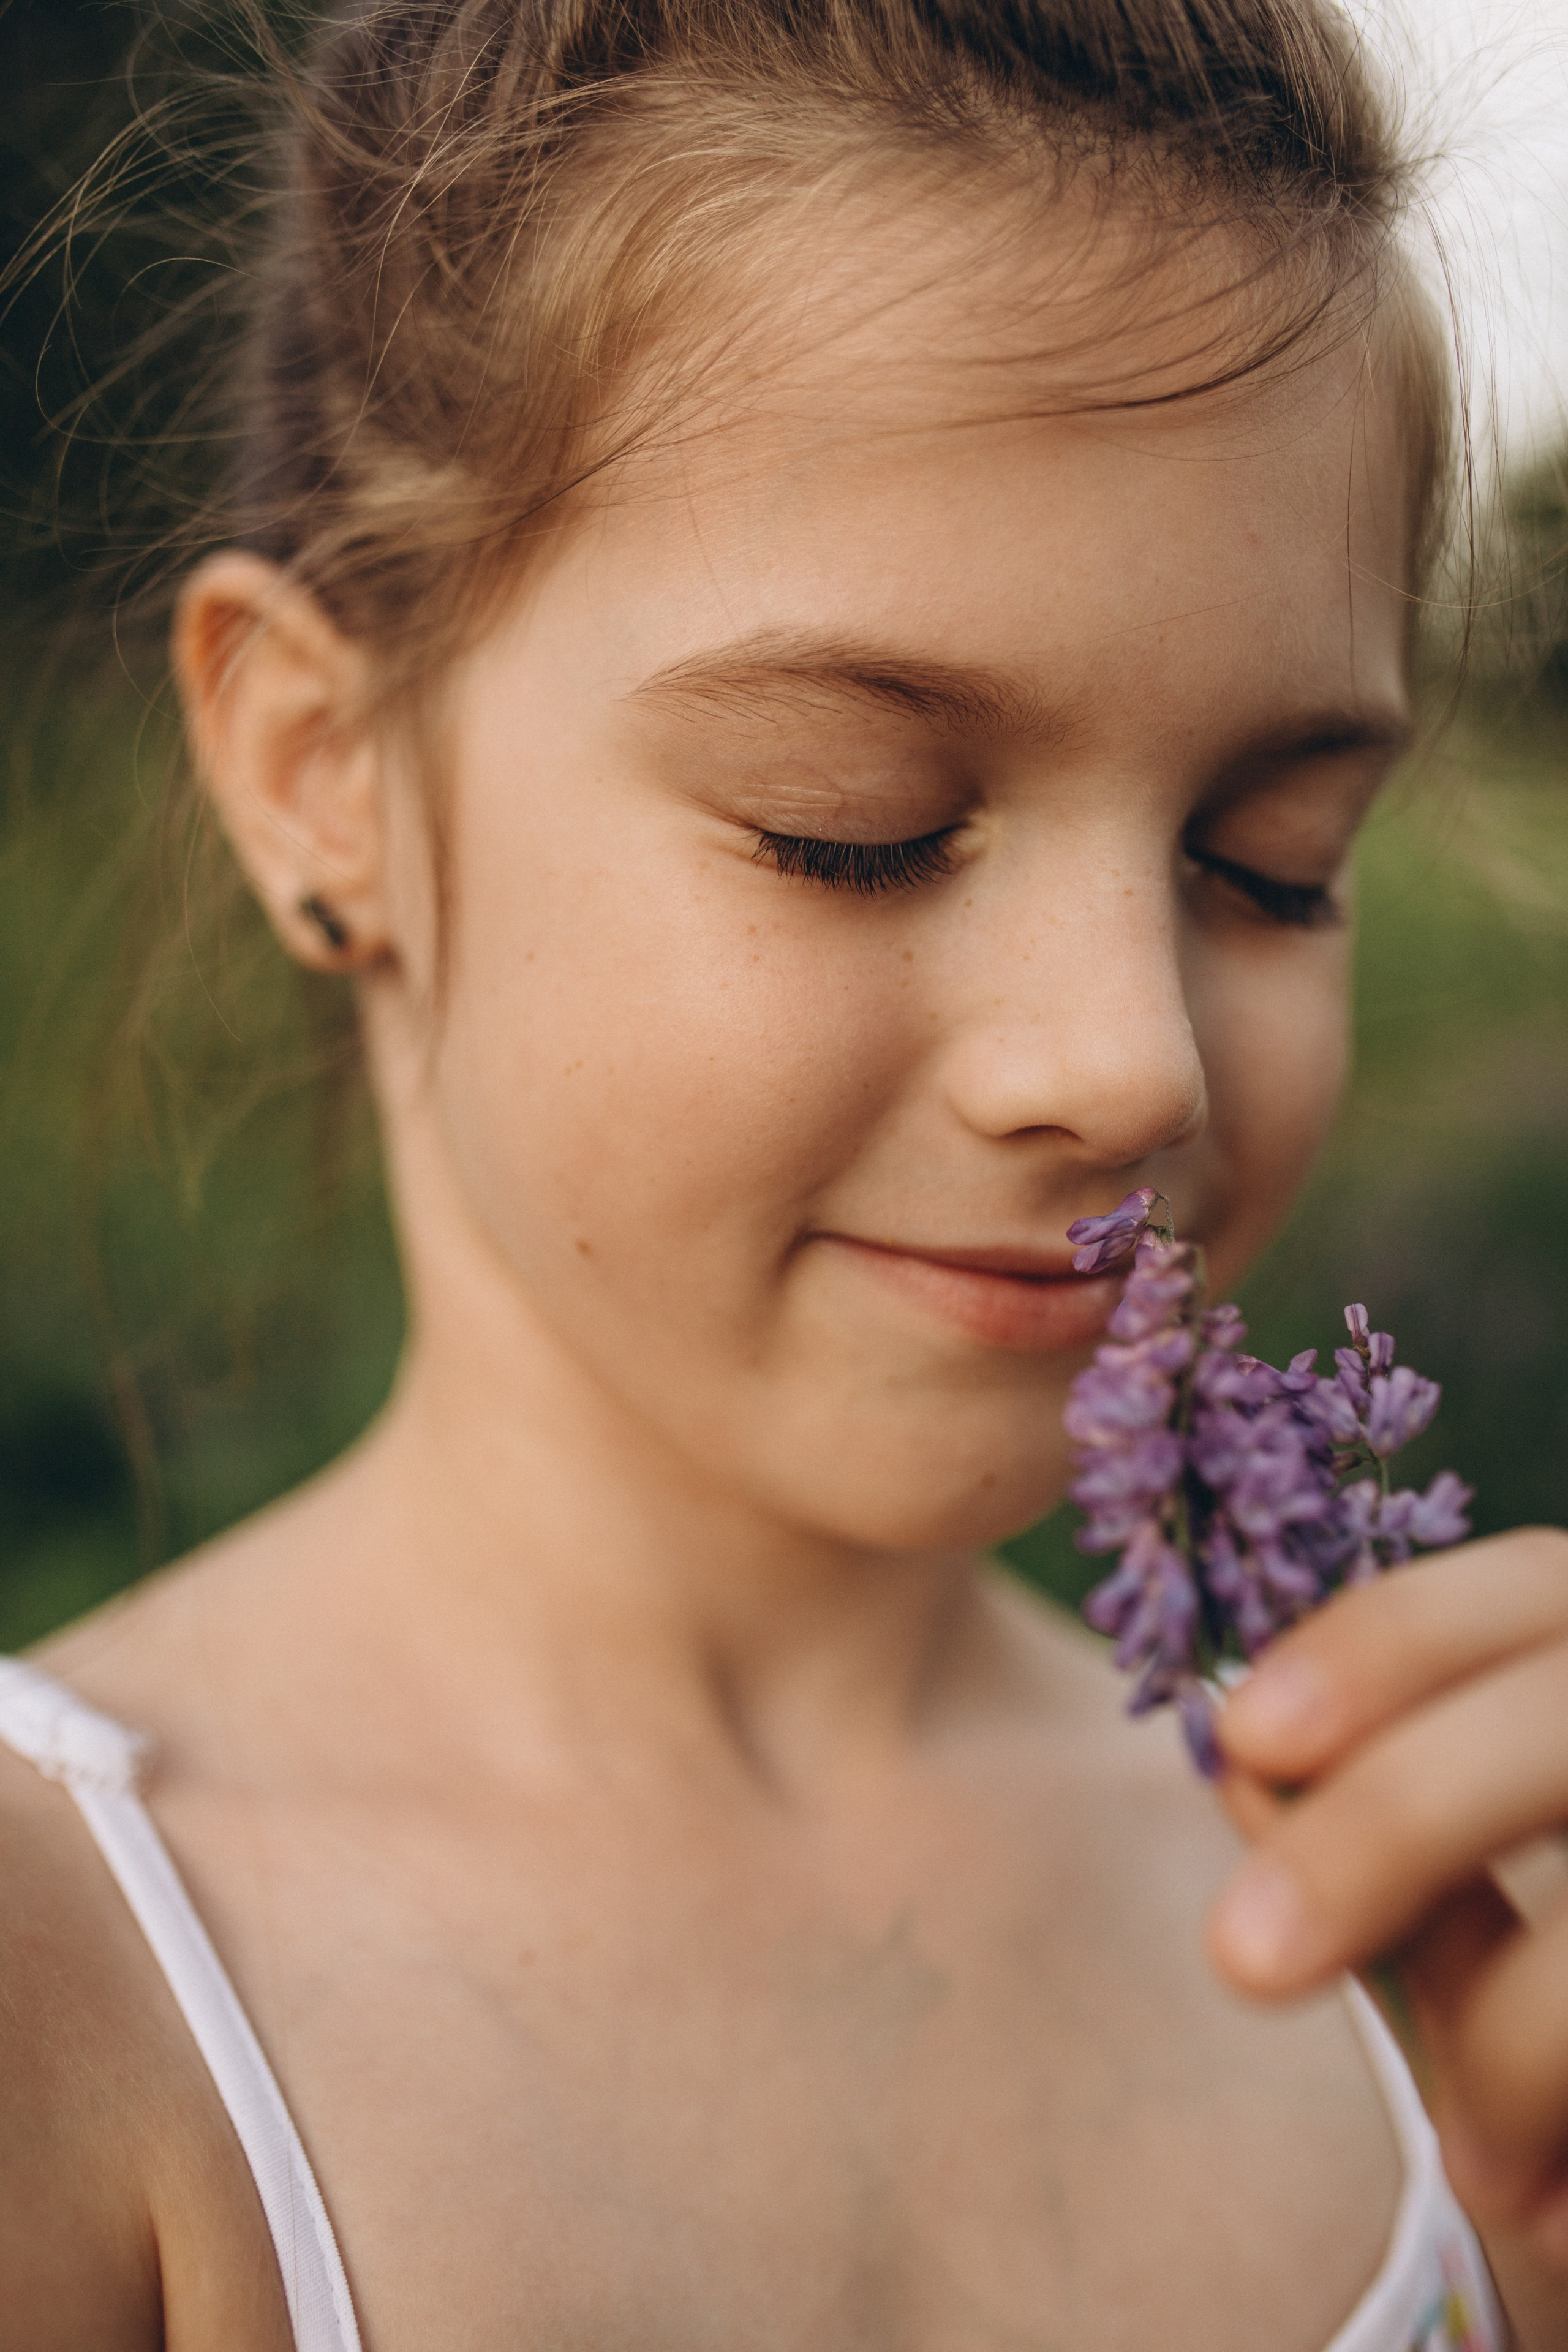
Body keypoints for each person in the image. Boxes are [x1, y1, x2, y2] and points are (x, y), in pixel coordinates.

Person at [2, 2, 1567, 2345]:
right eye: (858, 828)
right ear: (323, 772)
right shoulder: (77, 1993)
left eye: (1269, 864)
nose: (1125, 1061)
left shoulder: (1452, 1931)